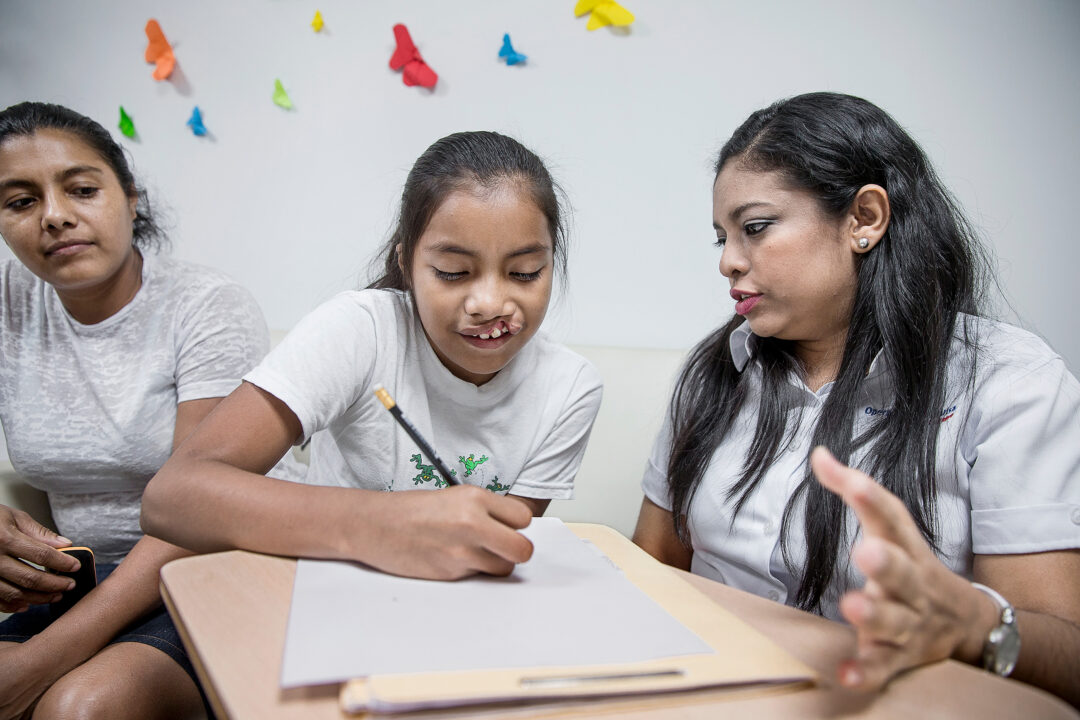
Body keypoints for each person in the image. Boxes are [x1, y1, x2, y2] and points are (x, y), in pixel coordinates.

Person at [632, 92, 1080, 706]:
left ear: (865, 218)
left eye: (756, 228)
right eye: (722, 238)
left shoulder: (1009, 383)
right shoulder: (716, 371)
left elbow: (1067, 655)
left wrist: (973, 624)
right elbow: (652, 568)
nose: (729, 261)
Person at [142, 130, 603, 581]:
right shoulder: (360, 331)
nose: (488, 303)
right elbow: (172, 498)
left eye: (525, 273)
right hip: (323, 599)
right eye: (453, 271)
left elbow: (498, 554)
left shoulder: (569, 388)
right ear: (405, 264)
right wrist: (380, 524)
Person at [0, 101, 277, 719]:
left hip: (211, 572)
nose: (54, 216)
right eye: (20, 202)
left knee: (80, 709)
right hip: (84, 581)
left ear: (130, 197)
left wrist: (39, 663)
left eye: (81, 189)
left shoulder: (207, 307)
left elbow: (195, 513)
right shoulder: (11, 305)